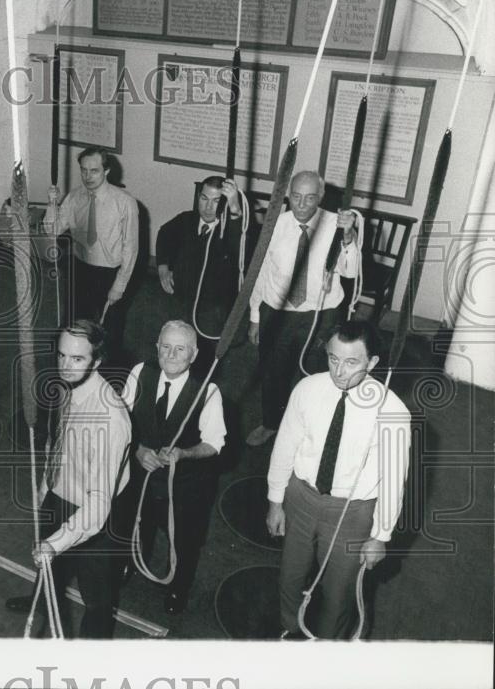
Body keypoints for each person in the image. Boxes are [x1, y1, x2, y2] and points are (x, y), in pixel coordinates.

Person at [266, 320, 410, 639]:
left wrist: (381, 535)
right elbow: (285, 445)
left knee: (337, 592)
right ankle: (289, 629)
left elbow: (393, 480)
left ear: (372, 363)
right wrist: (275, 500)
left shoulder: (393, 412)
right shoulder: (307, 389)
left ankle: (327, 651)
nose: (339, 371)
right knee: (289, 577)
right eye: (333, 358)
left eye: (351, 362)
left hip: (352, 513)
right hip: (301, 497)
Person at [5, 320, 131, 638]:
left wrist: (55, 543)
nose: (65, 366)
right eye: (61, 356)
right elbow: (56, 440)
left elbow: (98, 506)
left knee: (97, 599)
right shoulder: (65, 385)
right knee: (48, 571)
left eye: (77, 359)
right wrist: (45, 485)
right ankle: (42, 601)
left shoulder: (109, 418)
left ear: (97, 362)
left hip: (97, 512)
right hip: (61, 490)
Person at [246, 170, 359, 447]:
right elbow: (260, 272)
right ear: (288, 195)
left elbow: (351, 270)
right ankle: (271, 423)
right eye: (296, 197)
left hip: (321, 314)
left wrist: (348, 237)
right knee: (273, 371)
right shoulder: (274, 225)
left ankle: (314, 428)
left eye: (310, 198)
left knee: (319, 374)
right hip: (277, 310)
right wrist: (255, 316)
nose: (302, 205)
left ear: (321, 197)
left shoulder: (337, 224)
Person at [120, 320, 226, 614]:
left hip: (185, 487)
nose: (171, 355)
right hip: (140, 476)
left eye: (180, 349)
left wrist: (184, 453)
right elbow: (121, 420)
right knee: (135, 524)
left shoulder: (208, 392)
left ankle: (178, 586)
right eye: (165, 347)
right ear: (157, 348)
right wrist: (138, 449)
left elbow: (214, 444)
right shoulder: (140, 372)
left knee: (183, 540)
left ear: (193, 354)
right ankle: (130, 563)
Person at [42, 147, 138, 355]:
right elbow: (52, 230)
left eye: (94, 170)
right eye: (83, 170)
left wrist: (119, 286)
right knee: (74, 320)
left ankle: (109, 375)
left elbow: (130, 249)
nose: (87, 176)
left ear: (107, 171)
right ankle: (71, 362)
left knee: (110, 328)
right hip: (80, 267)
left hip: (109, 272)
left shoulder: (125, 202)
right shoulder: (75, 197)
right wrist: (52, 203)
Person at [155, 176, 244, 366]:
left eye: (216, 201)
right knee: (174, 350)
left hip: (211, 310)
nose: (208, 207)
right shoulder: (186, 219)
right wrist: (163, 267)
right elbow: (164, 234)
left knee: (203, 358)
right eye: (204, 199)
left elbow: (240, 246)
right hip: (180, 300)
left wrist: (235, 210)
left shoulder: (229, 229)